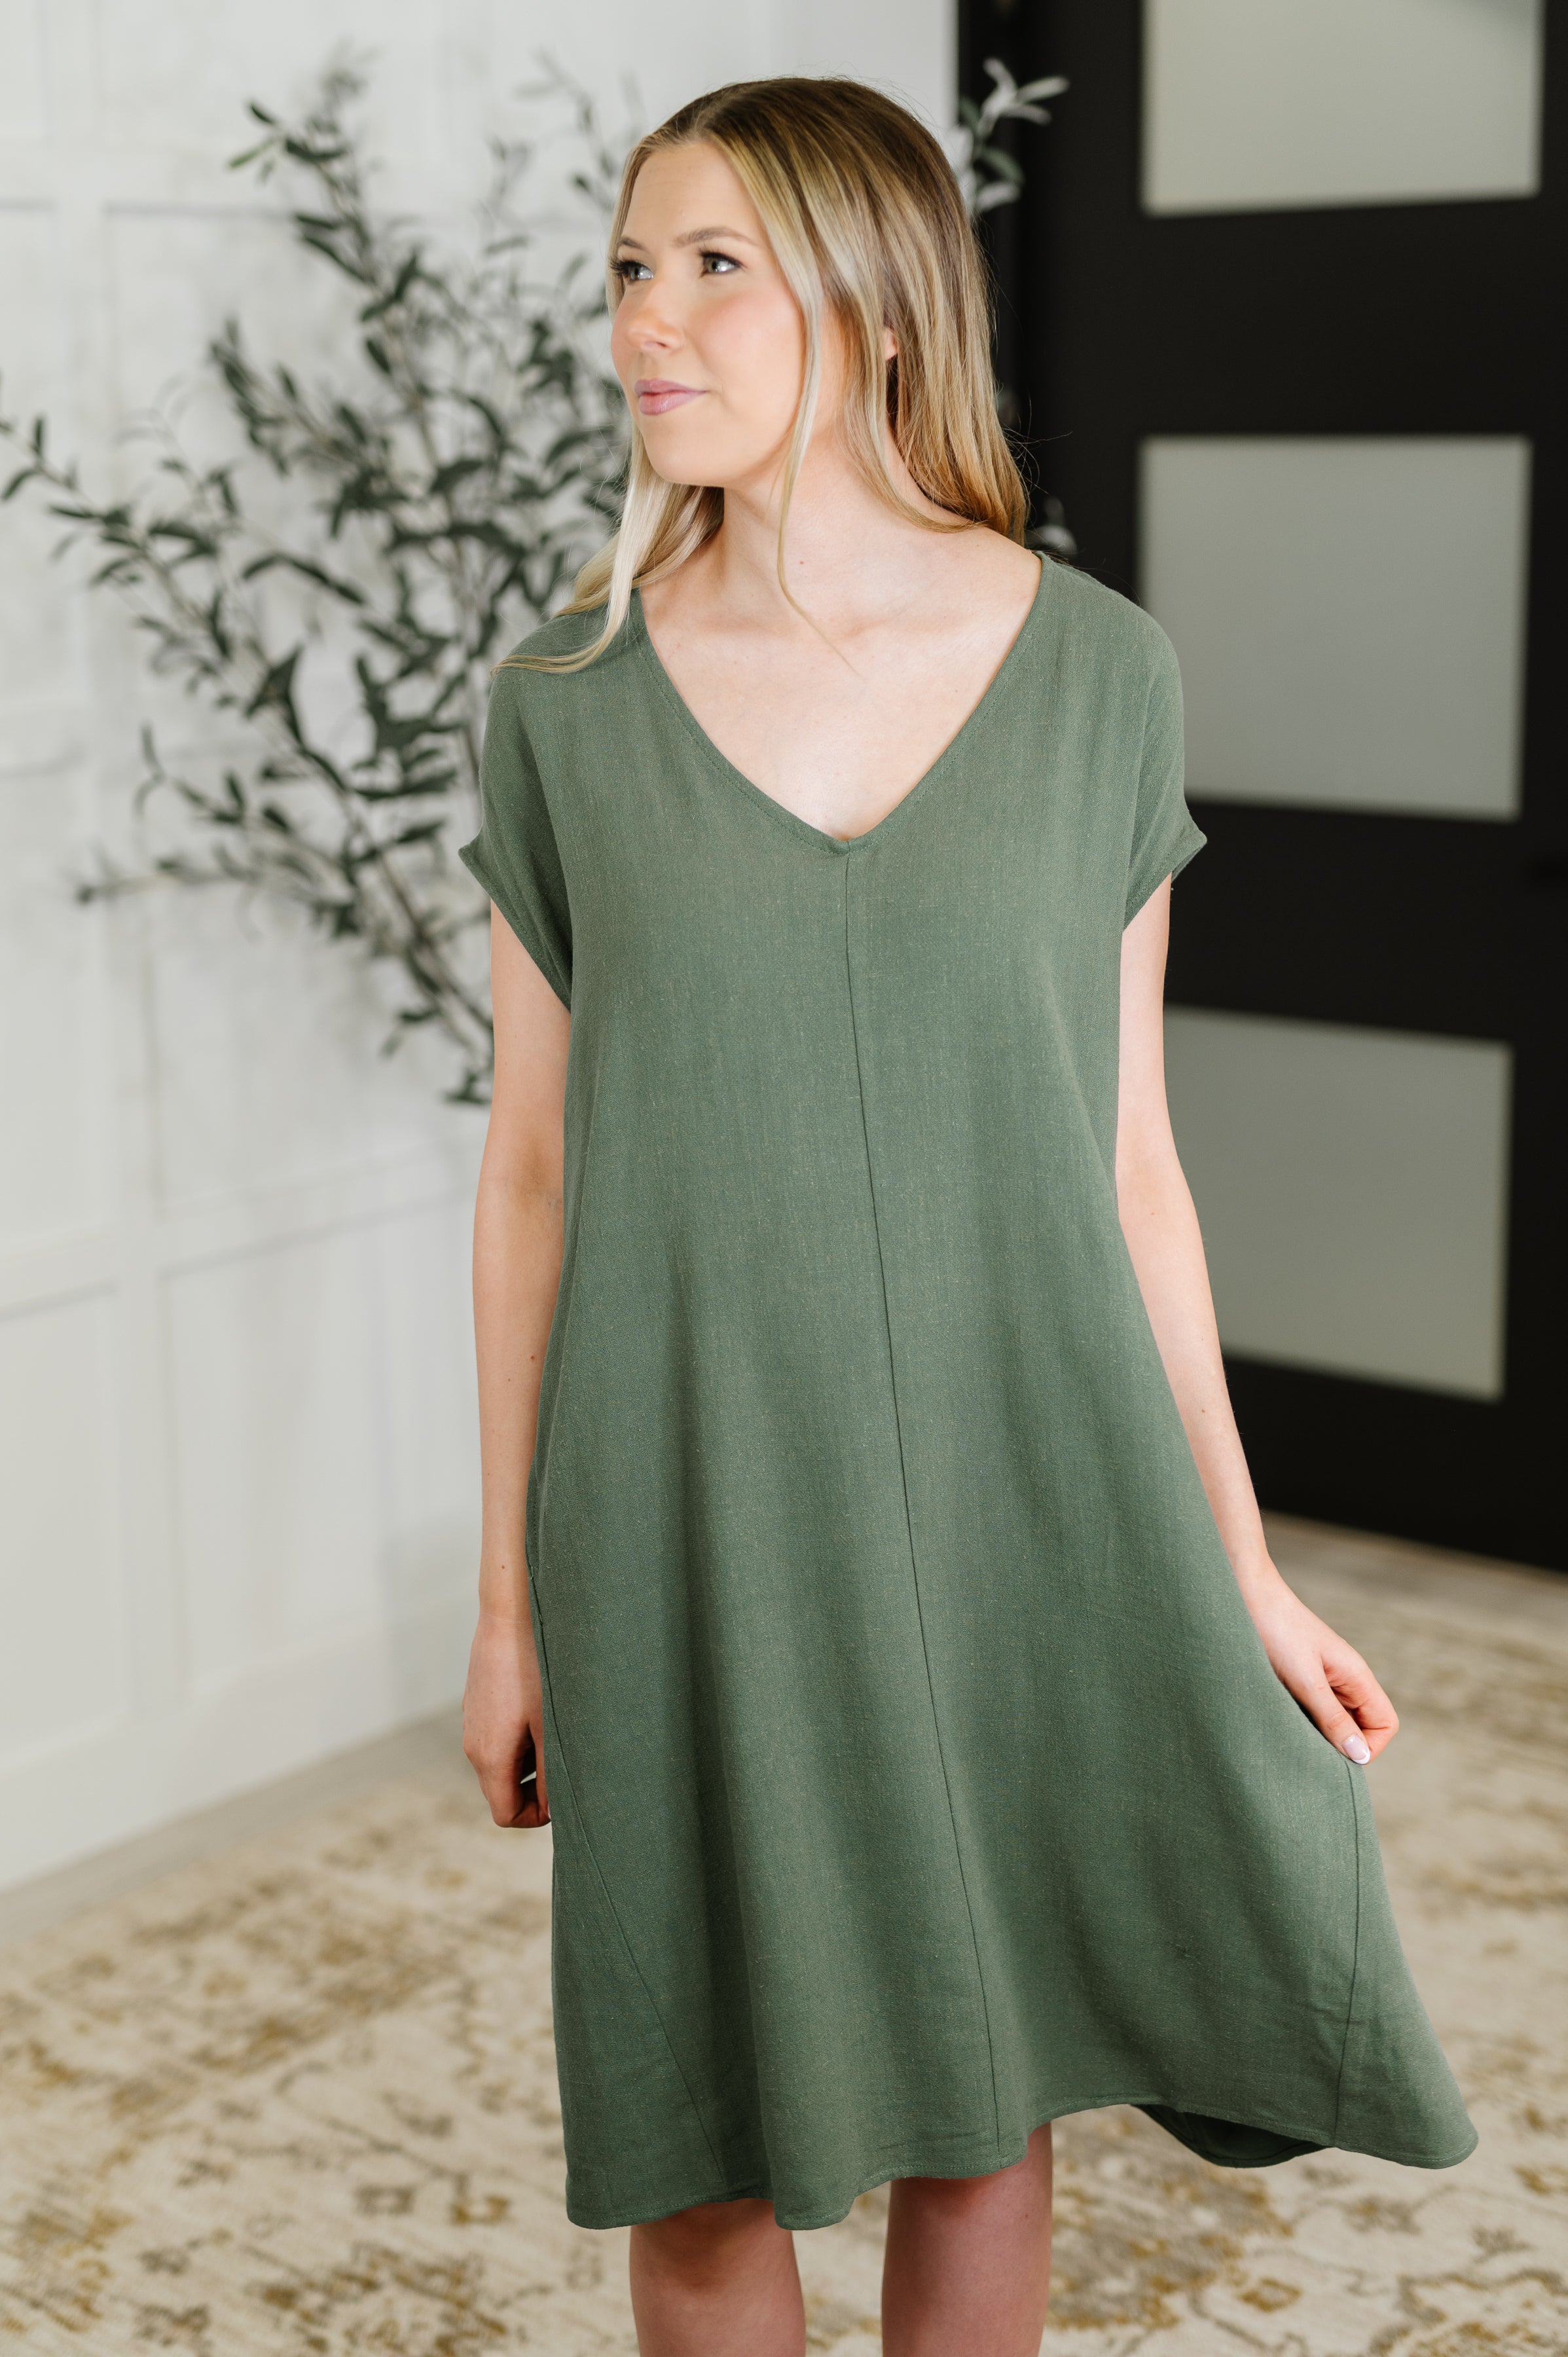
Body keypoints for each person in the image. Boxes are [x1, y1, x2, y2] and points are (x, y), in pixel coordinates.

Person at [457, 75, 1474, 2357]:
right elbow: (526, 1174)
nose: (645, 323)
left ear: (881, 305)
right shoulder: (566, 702)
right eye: (629, 268)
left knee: (979, 2095)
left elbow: (1130, 1163)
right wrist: (510, 1606)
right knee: (695, 2123)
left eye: (713, 267)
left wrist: (1237, 1567)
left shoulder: (1097, 673)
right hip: (687, 1497)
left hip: (1023, 1481)